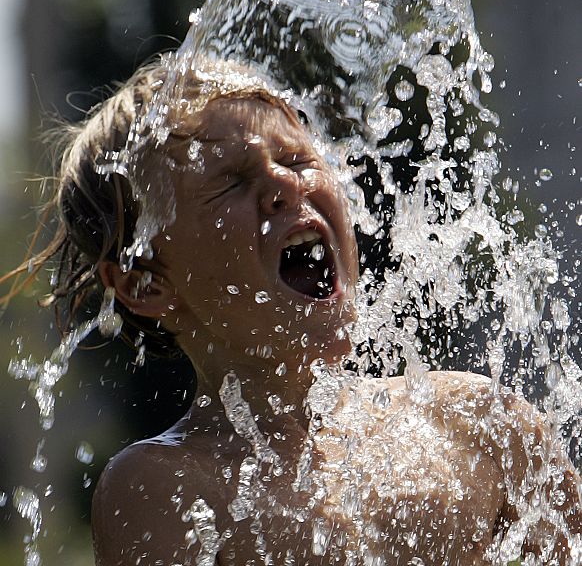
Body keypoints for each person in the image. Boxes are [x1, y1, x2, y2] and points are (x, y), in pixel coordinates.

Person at [9, 56, 581, 565]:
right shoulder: (168, 488)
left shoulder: (475, 424)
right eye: (231, 181)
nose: (285, 183)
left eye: (298, 158)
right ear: (145, 283)